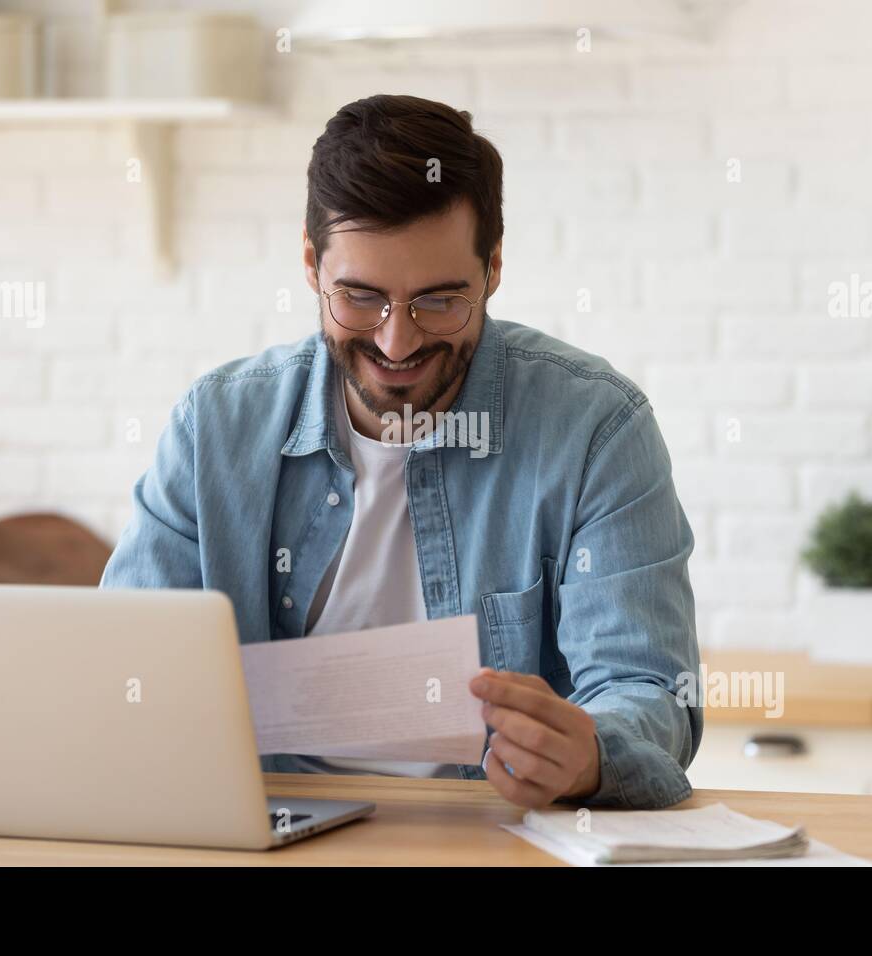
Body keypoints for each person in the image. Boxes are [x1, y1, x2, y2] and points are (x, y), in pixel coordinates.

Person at [102, 94, 702, 809]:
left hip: (495, 839)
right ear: (309, 264)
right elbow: (127, 670)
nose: (396, 341)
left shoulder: (595, 427)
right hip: (268, 837)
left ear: (494, 269)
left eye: (438, 301)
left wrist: (590, 753)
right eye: (360, 297)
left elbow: (649, 691)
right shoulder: (217, 429)